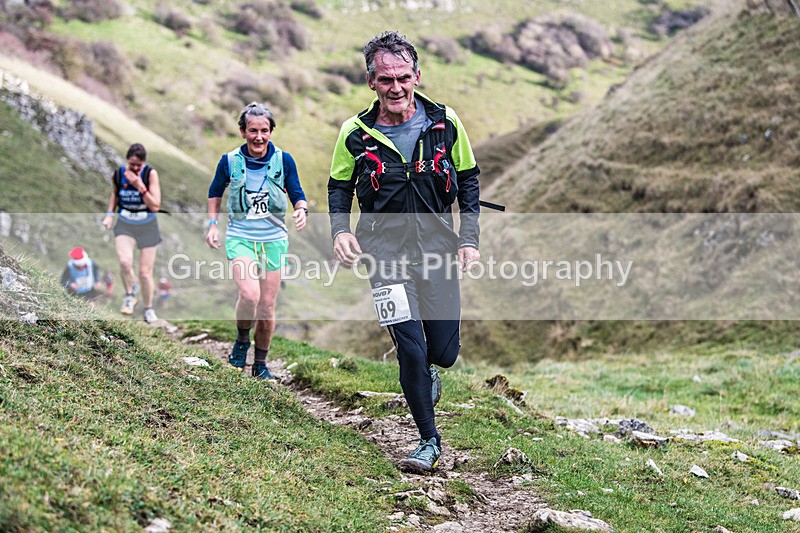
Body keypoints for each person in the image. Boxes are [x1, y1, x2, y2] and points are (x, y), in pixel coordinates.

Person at [327, 31, 481, 474]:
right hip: (383, 254)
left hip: (438, 250)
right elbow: (338, 187)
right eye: (385, 79)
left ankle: (429, 372)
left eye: (403, 77)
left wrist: (468, 239)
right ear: (370, 82)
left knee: (443, 352)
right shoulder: (355, 133)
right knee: (411, 348)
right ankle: (429, 441)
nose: (395, 87)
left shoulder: (445, 121)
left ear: (417, 75)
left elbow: (469, 179)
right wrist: (340, 231)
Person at [206, 102, 308, 380]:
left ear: (271, 131)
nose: (259, 137)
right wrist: (212, 225)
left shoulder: (284, 160)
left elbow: (296, 192)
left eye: (264, 131)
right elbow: (215, 193)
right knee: (250, 295)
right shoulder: (230, 161)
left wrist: (301, 209)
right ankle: (242, 341)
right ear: (243, 132)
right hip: (241, 237)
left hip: (274, 239)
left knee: (266, 306)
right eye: (253, 131)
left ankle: (260, 364)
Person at [102, 143, 162, 324]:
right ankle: (129, 295)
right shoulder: (118, 174)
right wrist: (109, 215)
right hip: (125, 224)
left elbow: (155, 206)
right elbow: (115, 194)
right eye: (132, 164)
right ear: (127, 160)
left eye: (139, 165)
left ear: (144, 163)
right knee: (125, 261)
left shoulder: (150, 174)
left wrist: (139, 186)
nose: (135, 168)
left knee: (144, 273)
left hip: (147, 226)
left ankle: (148, 308)